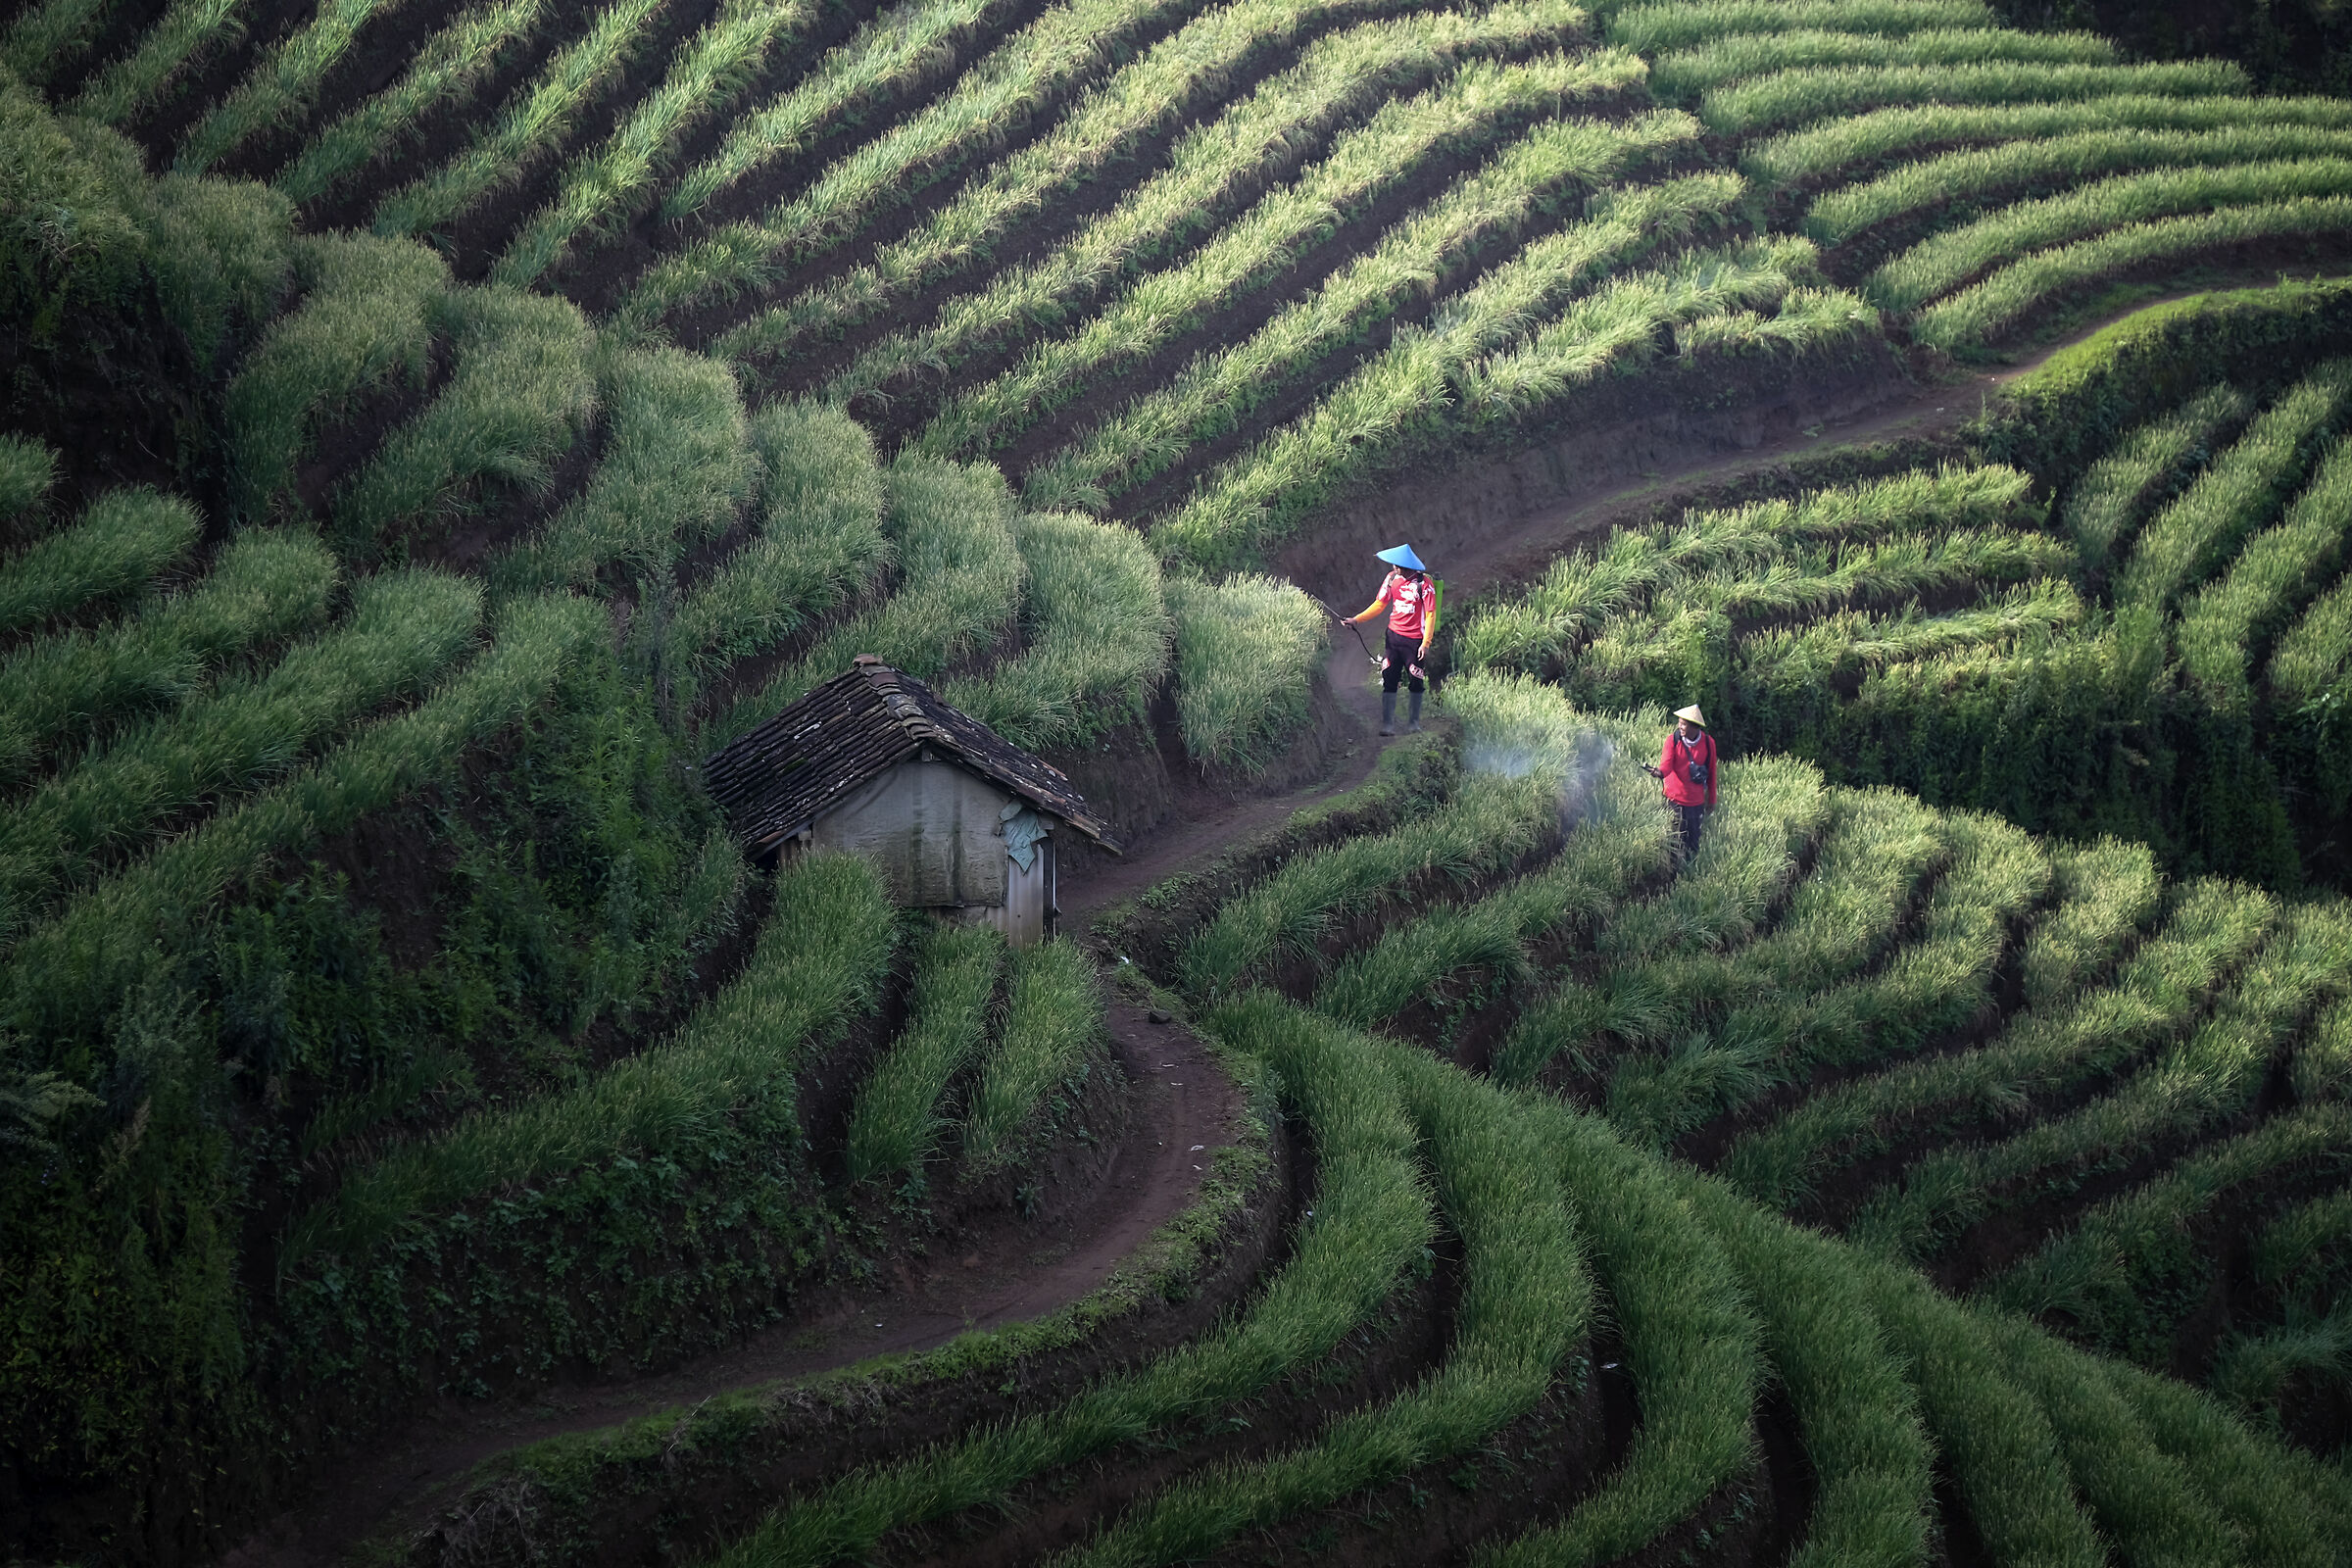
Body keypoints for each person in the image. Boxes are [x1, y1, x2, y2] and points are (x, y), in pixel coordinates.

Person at [1341, 544, 1437, 735]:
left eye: (1397, 564)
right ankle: (1387, 725)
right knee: (1389, 678)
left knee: (1416, 680)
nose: (1394, 567)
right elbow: (1379, 604)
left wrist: (1426, 643)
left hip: (1415, 641)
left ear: (1406, 565)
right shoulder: (1391, 579)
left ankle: (1414, 723)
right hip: (1393, 637)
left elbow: (1431, 615)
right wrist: (1356, 620)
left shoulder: (1424, 584)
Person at [1643, 705, 1718, 861]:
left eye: (1683, 724)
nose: (1679, 726)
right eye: (1679, 722)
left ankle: (1689, 875)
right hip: (1674, 800)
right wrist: (1659, 772)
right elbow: (1667, 764)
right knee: (1674, 842)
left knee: (1693, 844)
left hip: (1695, 803)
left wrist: (1712, 800)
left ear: (1694, 727)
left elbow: (1712, 773)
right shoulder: (1672, 740)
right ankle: (1673, 876)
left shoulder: (1708, 743)